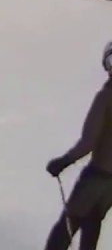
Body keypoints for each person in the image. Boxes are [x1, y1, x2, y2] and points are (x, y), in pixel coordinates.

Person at [44, 42, 112, 250]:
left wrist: (63, 162)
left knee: (67, 226)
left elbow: (88, 142)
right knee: (93, 221)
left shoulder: (106, 97)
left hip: (98, 176)